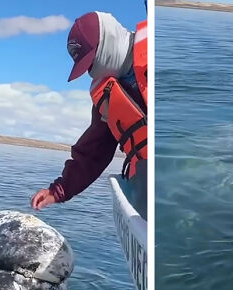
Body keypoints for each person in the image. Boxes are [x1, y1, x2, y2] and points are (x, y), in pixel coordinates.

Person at [30, 11, 148, 218]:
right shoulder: (108, 97)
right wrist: (58, 191)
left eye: (91, 62)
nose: (90, 71)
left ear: (107, 45)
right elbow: (93, 152)